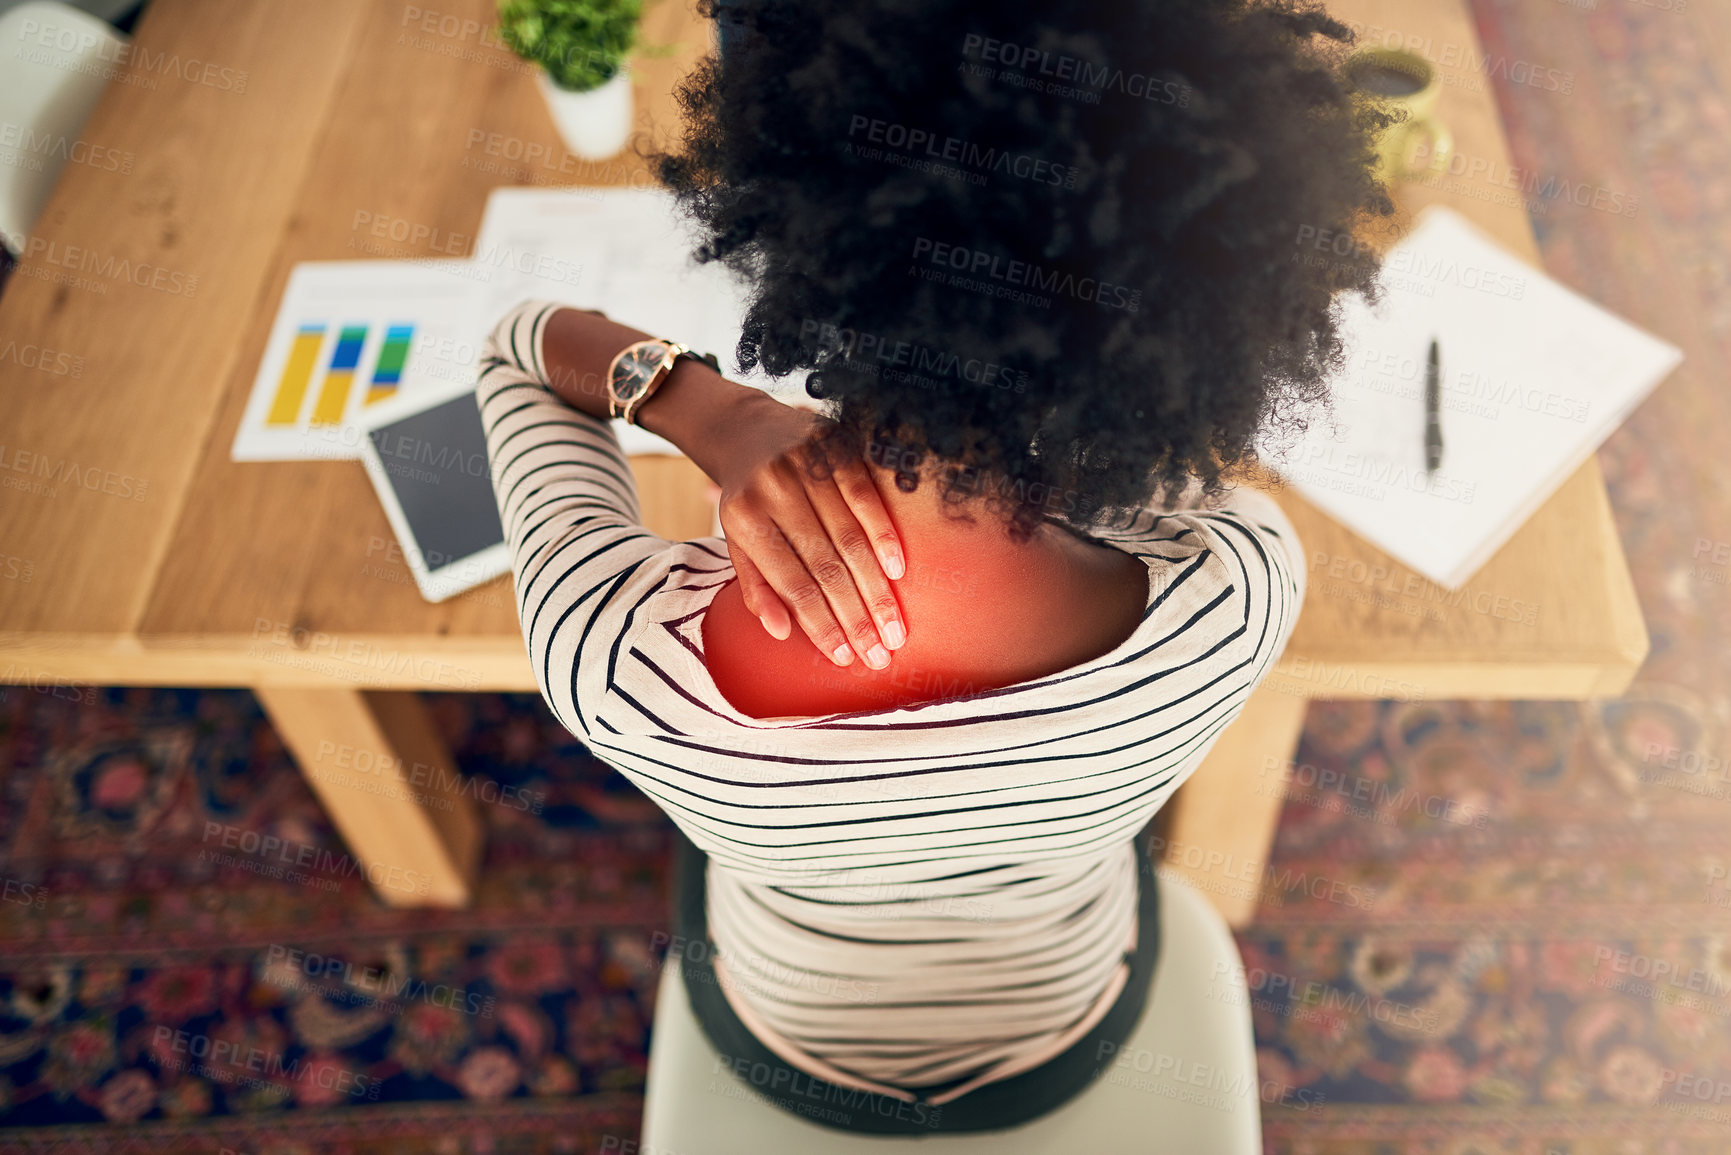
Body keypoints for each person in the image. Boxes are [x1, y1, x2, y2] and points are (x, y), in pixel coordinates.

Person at [476, 0, 1391, 1134]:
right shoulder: (1239, 584)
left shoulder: (615, 667)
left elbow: (520, 346)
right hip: (1071, 1014)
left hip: (787, 1032)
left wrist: (713, 408)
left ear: (797, 232)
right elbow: (1155, 484)